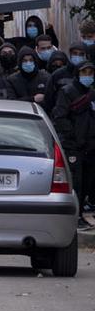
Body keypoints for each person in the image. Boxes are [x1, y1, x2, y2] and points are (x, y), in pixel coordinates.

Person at [51, 62, 95, 224]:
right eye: (85, 72)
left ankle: (82, 211)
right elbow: (60, 116)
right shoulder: (68, 91)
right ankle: (74, 215)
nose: (88, 76)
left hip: (90, 147)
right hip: (74, 146)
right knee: (75, 181)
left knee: (88, 181)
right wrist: (74, 137)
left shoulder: (91, 93)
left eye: (91, 72)